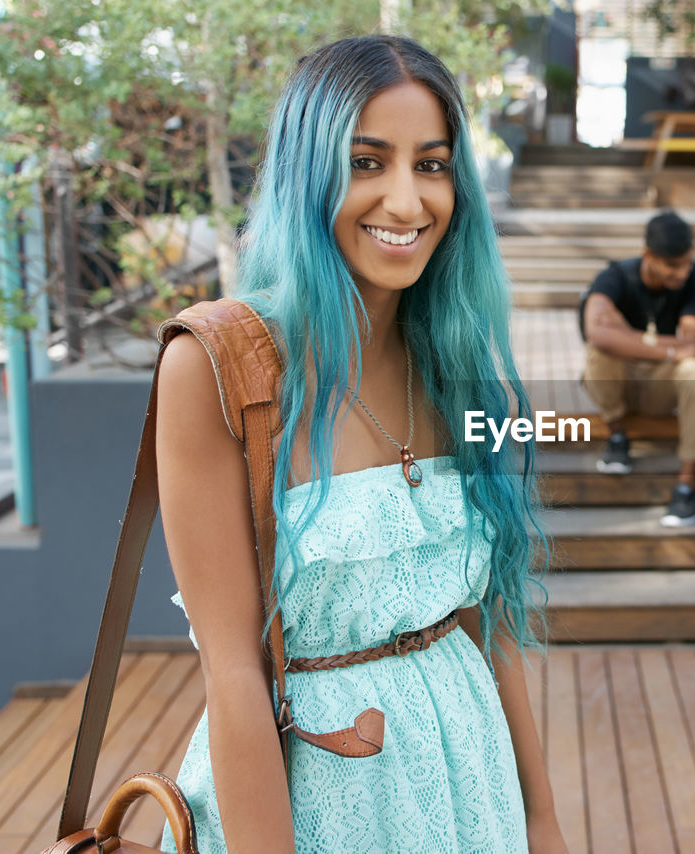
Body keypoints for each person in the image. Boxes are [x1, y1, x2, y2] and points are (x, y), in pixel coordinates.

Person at [155, 36, 567, 853]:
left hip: (471, 794)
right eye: (368, 162)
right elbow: (235, 672)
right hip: (313, 800)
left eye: (434, 164)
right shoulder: (217, 366)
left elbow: (489, 623)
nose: (408, 202)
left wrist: (543, 820)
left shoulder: (458, 359)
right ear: (310, 171)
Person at [580, 210, 695, 527]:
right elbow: (596, 333)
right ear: (648, 255)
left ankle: (687, 482)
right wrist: (666, 346)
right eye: (673, 265)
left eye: (686, 262)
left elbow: (691, 344)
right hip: (619, 383)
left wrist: (627, 336)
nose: (682, 272)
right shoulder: (614, 277)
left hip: (659, 384)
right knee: (599, 352)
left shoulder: (694, 275)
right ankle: (618, 436)